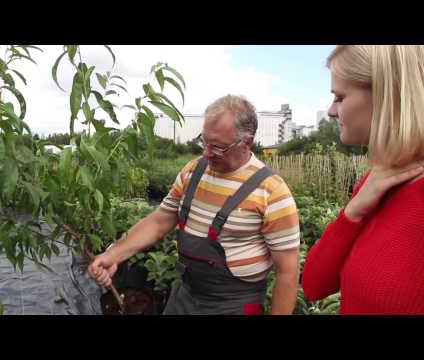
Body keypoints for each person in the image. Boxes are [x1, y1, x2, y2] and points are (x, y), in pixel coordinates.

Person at [89, 95, 300, 315]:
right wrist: (114, 255)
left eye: (217, 147)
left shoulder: (272, 191)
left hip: (233, 304)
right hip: (186, 295)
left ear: (246, 143)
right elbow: (160, 220)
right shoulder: (193, 171)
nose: (206, 153)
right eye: (204, 141)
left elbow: (288, 271)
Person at [302, 45, 424, 314]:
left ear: (388, 96)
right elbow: (314, 284)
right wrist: (352, 213)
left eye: (340, 97)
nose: (332, 111)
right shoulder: (377, 182)